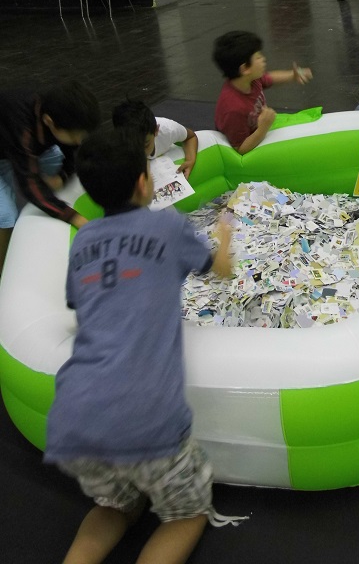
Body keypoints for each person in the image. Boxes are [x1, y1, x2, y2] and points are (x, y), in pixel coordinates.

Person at [44, 128, 235, 564]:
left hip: (75, 421)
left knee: (115, 506)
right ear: (144, 182)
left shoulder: (83, 241)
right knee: (186, 515)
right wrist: (225, 232)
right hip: (149, 422)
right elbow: (220, 269)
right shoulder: (166, 225)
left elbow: (84, 305)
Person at [0, 79, 100, 275]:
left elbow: (74, 154)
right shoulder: (23, 128)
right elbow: (30, 186)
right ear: (49, 122)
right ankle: (2, 272)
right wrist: (74, 217)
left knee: (55, 159)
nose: (79, 141)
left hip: (16, 148)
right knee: (6, 215)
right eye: (75, 136)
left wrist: (62, 176)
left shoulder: (58, 114)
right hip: (6, 152)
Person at [213, 30, 312, 154]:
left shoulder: (250, 79)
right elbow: (240, 149)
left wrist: (292, 75)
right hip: (246, 144)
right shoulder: (233, 108)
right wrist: (263, 128)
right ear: (245, 69)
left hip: (259, 128)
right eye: (258, 57)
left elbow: (269, 78)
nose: (263, 59)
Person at [113, 99, 198, 179]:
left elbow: (191, 137)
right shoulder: (116, 148)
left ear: (156, 131)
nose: (140, 152)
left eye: (145, 145)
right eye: (133, 145)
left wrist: (190, 160)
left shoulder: (168, 130)